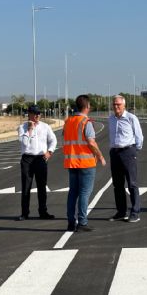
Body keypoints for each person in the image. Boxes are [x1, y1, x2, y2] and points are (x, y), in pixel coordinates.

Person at [63, 95, 106, 232]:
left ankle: (71, 222)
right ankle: (82, 222)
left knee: (73, 193)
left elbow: (65, 137)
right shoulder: (86, 122)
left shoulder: (68, 121)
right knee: (84, 193)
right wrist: (100, 156)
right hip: (86, 162)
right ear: (87, 107)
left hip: (71, 162)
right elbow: (91, 142)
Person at [17, 105, 58, 220]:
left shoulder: (45, 127)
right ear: (29, 114)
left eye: (39, 113)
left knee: (42, 187)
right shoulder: (22, 127)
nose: (37, 116)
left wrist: (50, 151)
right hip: (27, 159)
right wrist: (30, 129)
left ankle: (43, 212)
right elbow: (24, 143)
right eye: (35, 113)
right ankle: (25, 213)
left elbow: (53, 140)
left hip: (41, 159)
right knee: (26, 187)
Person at [108, 95, 144, 223]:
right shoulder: (111, 119)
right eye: (114, 104)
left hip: (128, 152)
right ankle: (121, 211)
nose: (116, 106)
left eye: (118, 104)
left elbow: (139, 137)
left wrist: (133, 150)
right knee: (117, 185)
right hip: (115, 153)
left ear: (124, 105)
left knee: (132, 184)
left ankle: (135, 212)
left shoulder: (131, 118)